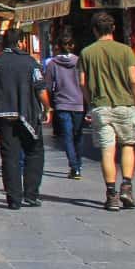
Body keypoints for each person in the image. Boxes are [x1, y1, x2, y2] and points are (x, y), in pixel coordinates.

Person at [79, 11, 135, 211]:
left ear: (94, 30)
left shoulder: (87, 53)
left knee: (108, 150)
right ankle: (127, 186)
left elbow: (83, 83)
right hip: (125, 104)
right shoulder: (125, 51)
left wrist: (91, 103)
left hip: (101, 107)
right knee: (128, 145)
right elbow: (134, 81)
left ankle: (111, 195)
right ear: (113, 28)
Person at [0, 29, 51, 209]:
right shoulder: (31, 62)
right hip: (28, 114)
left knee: (9, 156)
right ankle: (31, 194)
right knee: (34, 152)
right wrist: (47, 107)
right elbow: (40, 88)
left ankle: (13, 199)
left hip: (3, 114)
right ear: (21, 42)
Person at [44, 36, 86, 180]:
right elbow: (85, 81)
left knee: (67, 136)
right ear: (73, 46)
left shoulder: (52, 64)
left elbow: (48, 86)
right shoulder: (80, 61)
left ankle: (74, 167)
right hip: (79, 102)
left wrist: (48, 105)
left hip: (61, 103)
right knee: (78, 135)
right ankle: (78, 164)